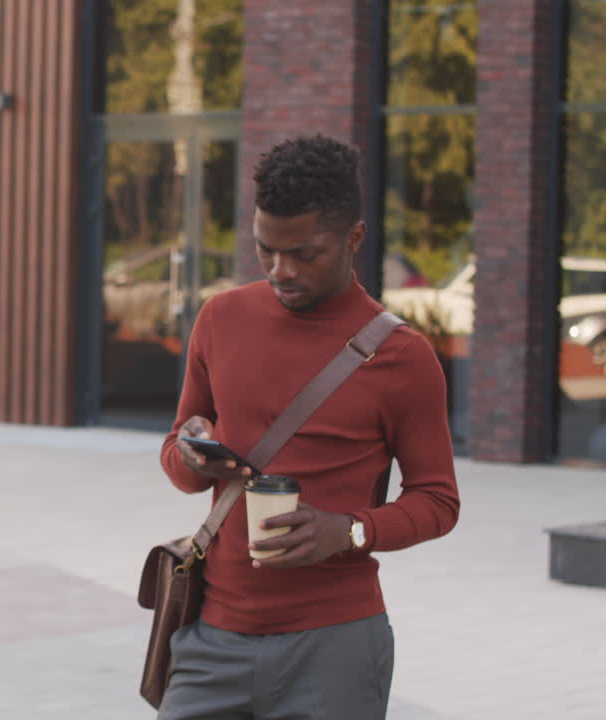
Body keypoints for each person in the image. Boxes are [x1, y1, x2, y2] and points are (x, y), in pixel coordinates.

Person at [157, 134, 460, 719]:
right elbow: (178, 459)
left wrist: (348, 531)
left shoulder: (404, 356)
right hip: (212, 639)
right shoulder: (221, 318)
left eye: (305, 253)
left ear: (354, 238)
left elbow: (439, 502)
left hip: (336, 647)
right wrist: (191, 454)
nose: (281, 270)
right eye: (266, 250)